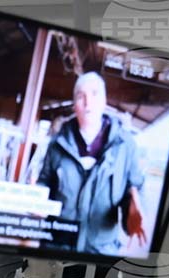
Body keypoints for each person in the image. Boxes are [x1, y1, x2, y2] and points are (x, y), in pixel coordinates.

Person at [36, 71, 145, 255]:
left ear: (104, 101)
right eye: (81, 96)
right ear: (74, 105)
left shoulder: (125, 146)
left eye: (95, 94)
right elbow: (44, 182)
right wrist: (36, 198)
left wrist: (134, 215)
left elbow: (135, 190)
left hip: (101, 251)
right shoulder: (57, 144)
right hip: (56, 247)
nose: (88, 103)